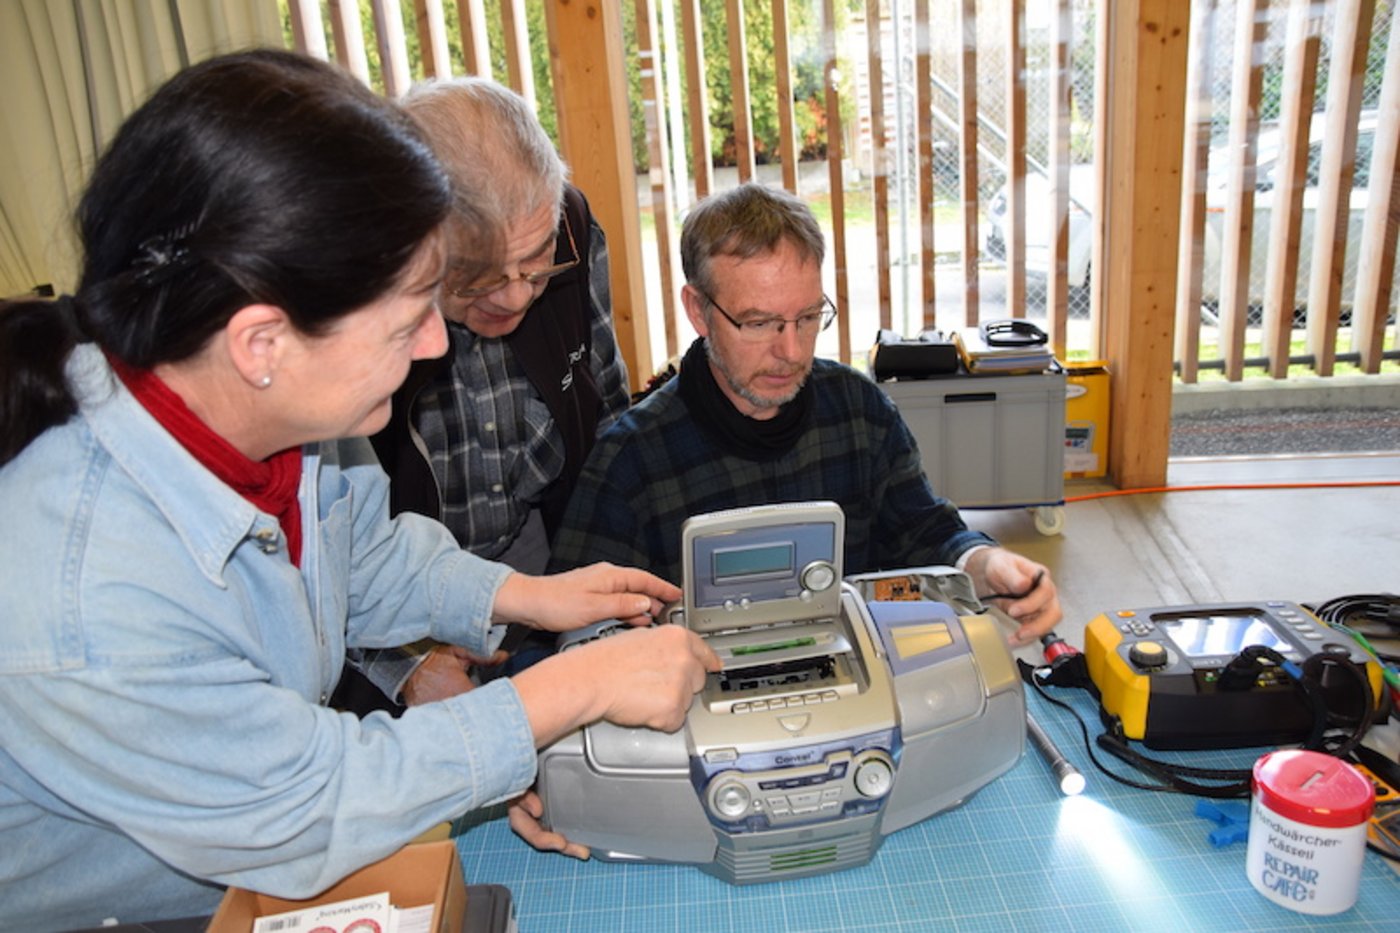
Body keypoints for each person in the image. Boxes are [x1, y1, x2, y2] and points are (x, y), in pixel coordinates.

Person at [0, 50, 717, 932]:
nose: (434, 346)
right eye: (411, 311)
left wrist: (525, 593)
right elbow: (310, 804)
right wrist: (566, 692)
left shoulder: (282, 418)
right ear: (262, 341)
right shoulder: (81, 598)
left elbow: (362, 554)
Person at [549, 182, 1062, 646]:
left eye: (809, 317)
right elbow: (568, 628)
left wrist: (983, 563)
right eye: (759, 323)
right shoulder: (630, 459)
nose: (792, 351)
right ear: (699, 310)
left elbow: (925, 531)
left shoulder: (860, 410)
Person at [339, 76, 631, 711]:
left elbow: (609, 421)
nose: (518, 295)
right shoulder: (348, 308)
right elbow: (332, 563)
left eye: (536, 264)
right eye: (479, 277)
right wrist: (406, 663)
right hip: (382, 618)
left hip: (537, 569)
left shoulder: (571, 229)